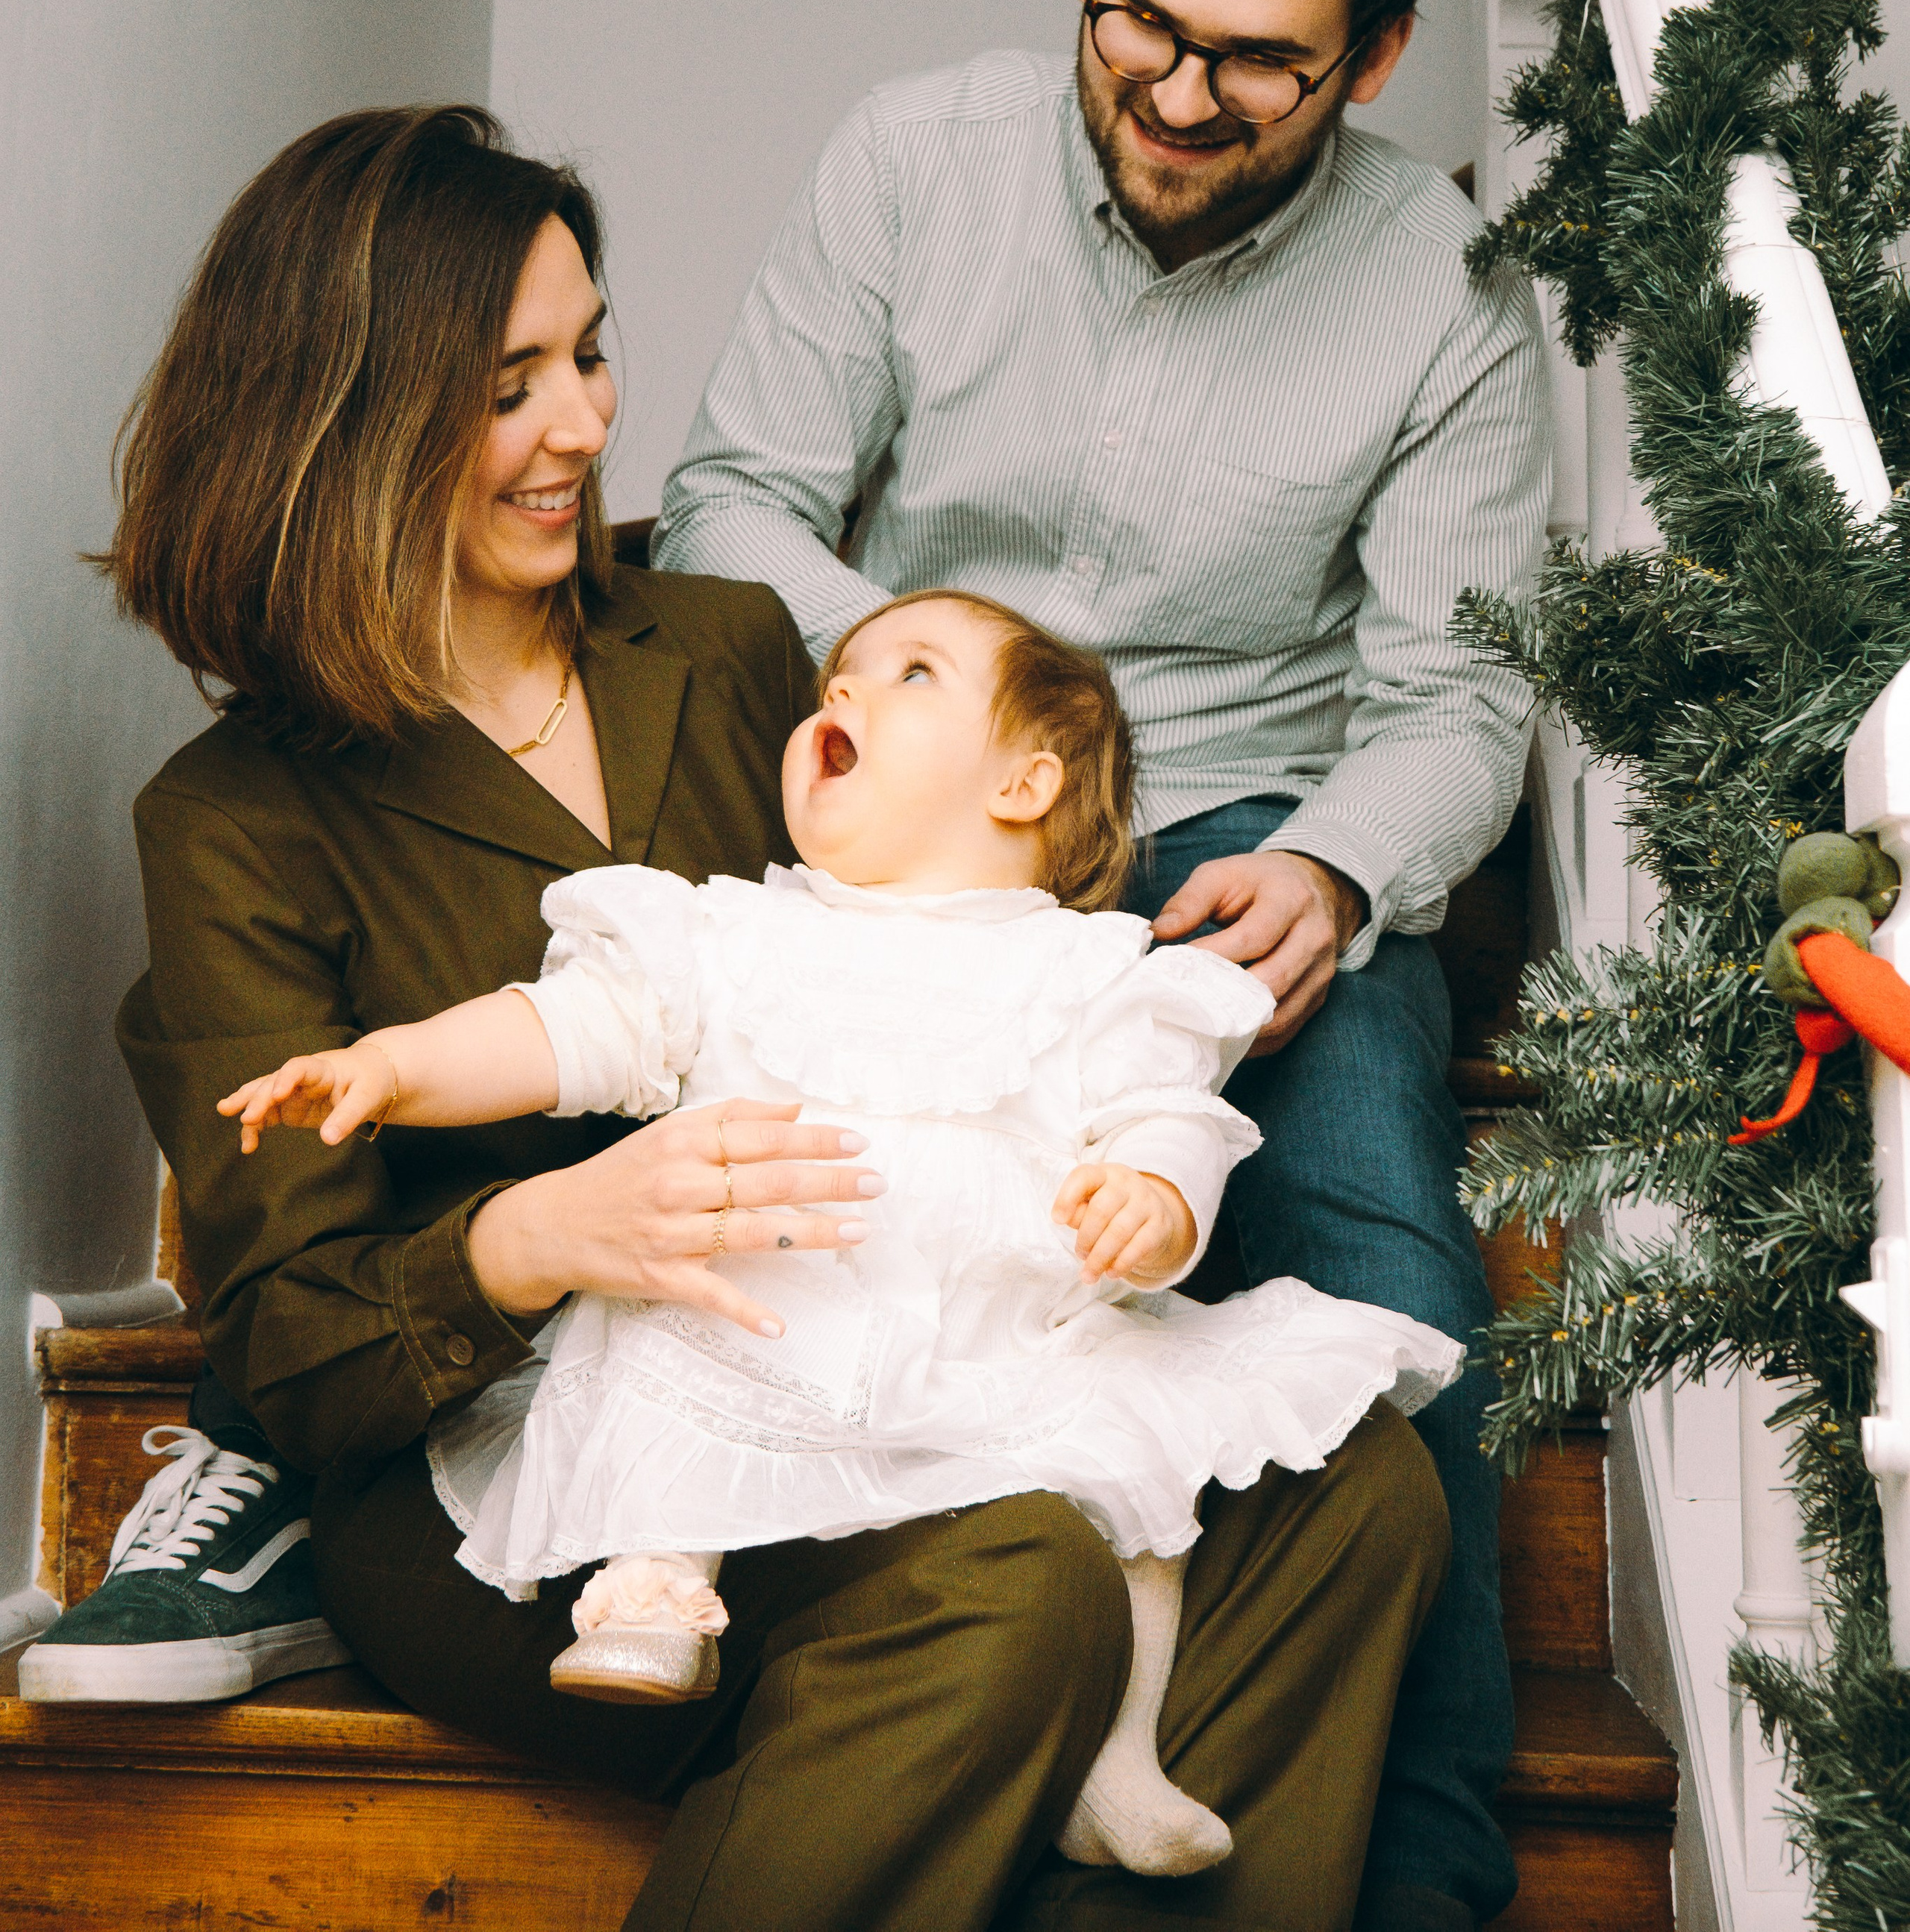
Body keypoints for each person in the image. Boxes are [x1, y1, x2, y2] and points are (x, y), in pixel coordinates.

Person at [25, 101, 1450, 1932]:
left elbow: (953, 946)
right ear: (350, 415)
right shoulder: (233, 822)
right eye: (508, 383)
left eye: (592, 353)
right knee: (1014, 1580)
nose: (590, 424)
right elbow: (291, 1347)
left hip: (885, 1360)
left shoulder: (728, 648)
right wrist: (537, 1234)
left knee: (1363, 1494)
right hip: (538, 1470)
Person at [653, 0, 1553, 1932]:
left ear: (1378, 56)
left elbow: (1459, 686)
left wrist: (1338, 864)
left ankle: (1427, 1870)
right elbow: (735, 493)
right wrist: (927, 686)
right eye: (1138, 16)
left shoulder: (1449, 283)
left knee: (1373, 1256)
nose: (1174, 90)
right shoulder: (910, 161)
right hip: (925, 821)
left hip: (1238, 833)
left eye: (1258, 61)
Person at [222, 586, 1461, 1881]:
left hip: (991, 1353)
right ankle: (651, 1597)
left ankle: (1118, 1752)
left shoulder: (1098, 970)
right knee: (674, 1378)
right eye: (839, 677)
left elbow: (1169, 1115)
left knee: (1138, 1498)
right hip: (768, 1322)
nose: (844, 695)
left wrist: (1153, 1202)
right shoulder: (735, 933)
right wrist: (394, 1066)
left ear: (1027, 780)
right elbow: (568, 1028)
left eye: (911, 673)